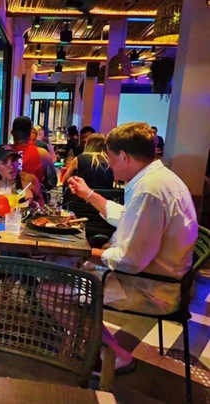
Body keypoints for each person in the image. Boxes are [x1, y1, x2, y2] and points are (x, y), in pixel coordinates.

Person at [67, 122, 198, 370]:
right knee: (71, 270)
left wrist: (85, 252)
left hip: (151, 289)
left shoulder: (149, 190)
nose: (109, 165)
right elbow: (130, 217)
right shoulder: (159, 178)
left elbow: (130, 260)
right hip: (160, 279)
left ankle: (112, 355)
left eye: (111, 158)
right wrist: (89, 194)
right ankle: (92, 346)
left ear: (124, 156)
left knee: (51, 288)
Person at [10, 116, 57, 190]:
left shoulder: (4, 152)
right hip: (34, 195)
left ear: (12, 133)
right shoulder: (43, 154)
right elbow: (52, 181)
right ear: (30, 134)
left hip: (7, 196)